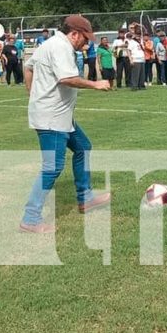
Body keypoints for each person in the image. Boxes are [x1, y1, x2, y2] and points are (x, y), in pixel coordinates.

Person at [20, 15, 111, 234]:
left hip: (59, 116)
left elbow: (28, 67)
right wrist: (95, 83)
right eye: (84, 38)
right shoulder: (60, 47)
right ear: (74, 33)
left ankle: (85, 198)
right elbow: (66, 78)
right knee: (52, 168)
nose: (86, 43)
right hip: (51, 118)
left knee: (83, 147)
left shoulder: (47, 45)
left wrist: (32, 93)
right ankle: (30, 218)